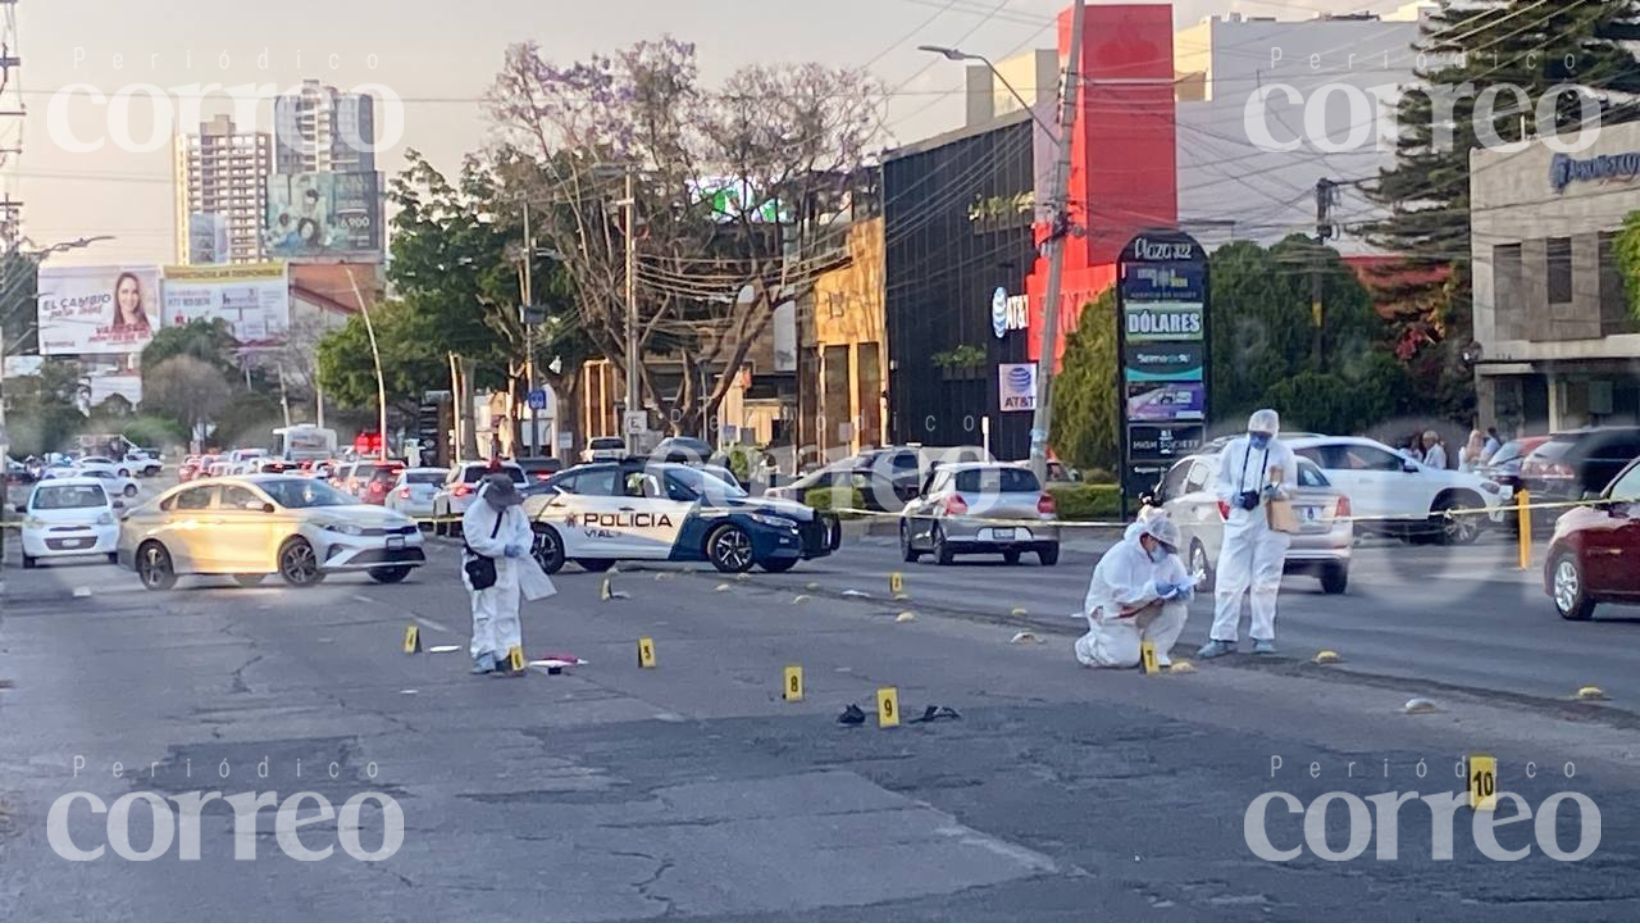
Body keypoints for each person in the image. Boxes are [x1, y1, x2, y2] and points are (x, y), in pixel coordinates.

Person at [1200, 409, 1298, 659]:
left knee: (1266, 580)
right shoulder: (1233, 450)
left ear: (1273, 434)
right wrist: (1233, 496)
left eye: (1264, 436)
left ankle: (1263, 636)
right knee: (1227, 580)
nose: (1259, 440)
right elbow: (1219, 482)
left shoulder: (1282, 452)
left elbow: (1291, 486)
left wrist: (1277, 491)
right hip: (1240, 519)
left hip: (1270, 519)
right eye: (1255, 434)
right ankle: (1222, 636)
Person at [1075, 512, 1192, 669]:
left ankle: (1155, 652)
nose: (1166, 552)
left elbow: (1183, 584)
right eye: (1163, 546)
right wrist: (1154, 590)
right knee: (1124, 659)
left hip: (1144, 608)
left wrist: (1182, 593)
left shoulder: (1169, 558)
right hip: (1112, 613)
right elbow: (1121, 595)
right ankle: (1089, 646)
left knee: (1176, 610)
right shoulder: (1121, 555)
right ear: (1150, 538)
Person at [461, 474, 534, 676]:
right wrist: (502, 548)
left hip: (508, 565)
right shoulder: (476, 512)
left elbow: (525, 531)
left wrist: (520, 547)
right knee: (485, 612)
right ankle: (484, 653)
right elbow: (476, 541)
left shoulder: (515, 510)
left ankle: (508, 653)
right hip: (483, 565)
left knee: (509, 611)